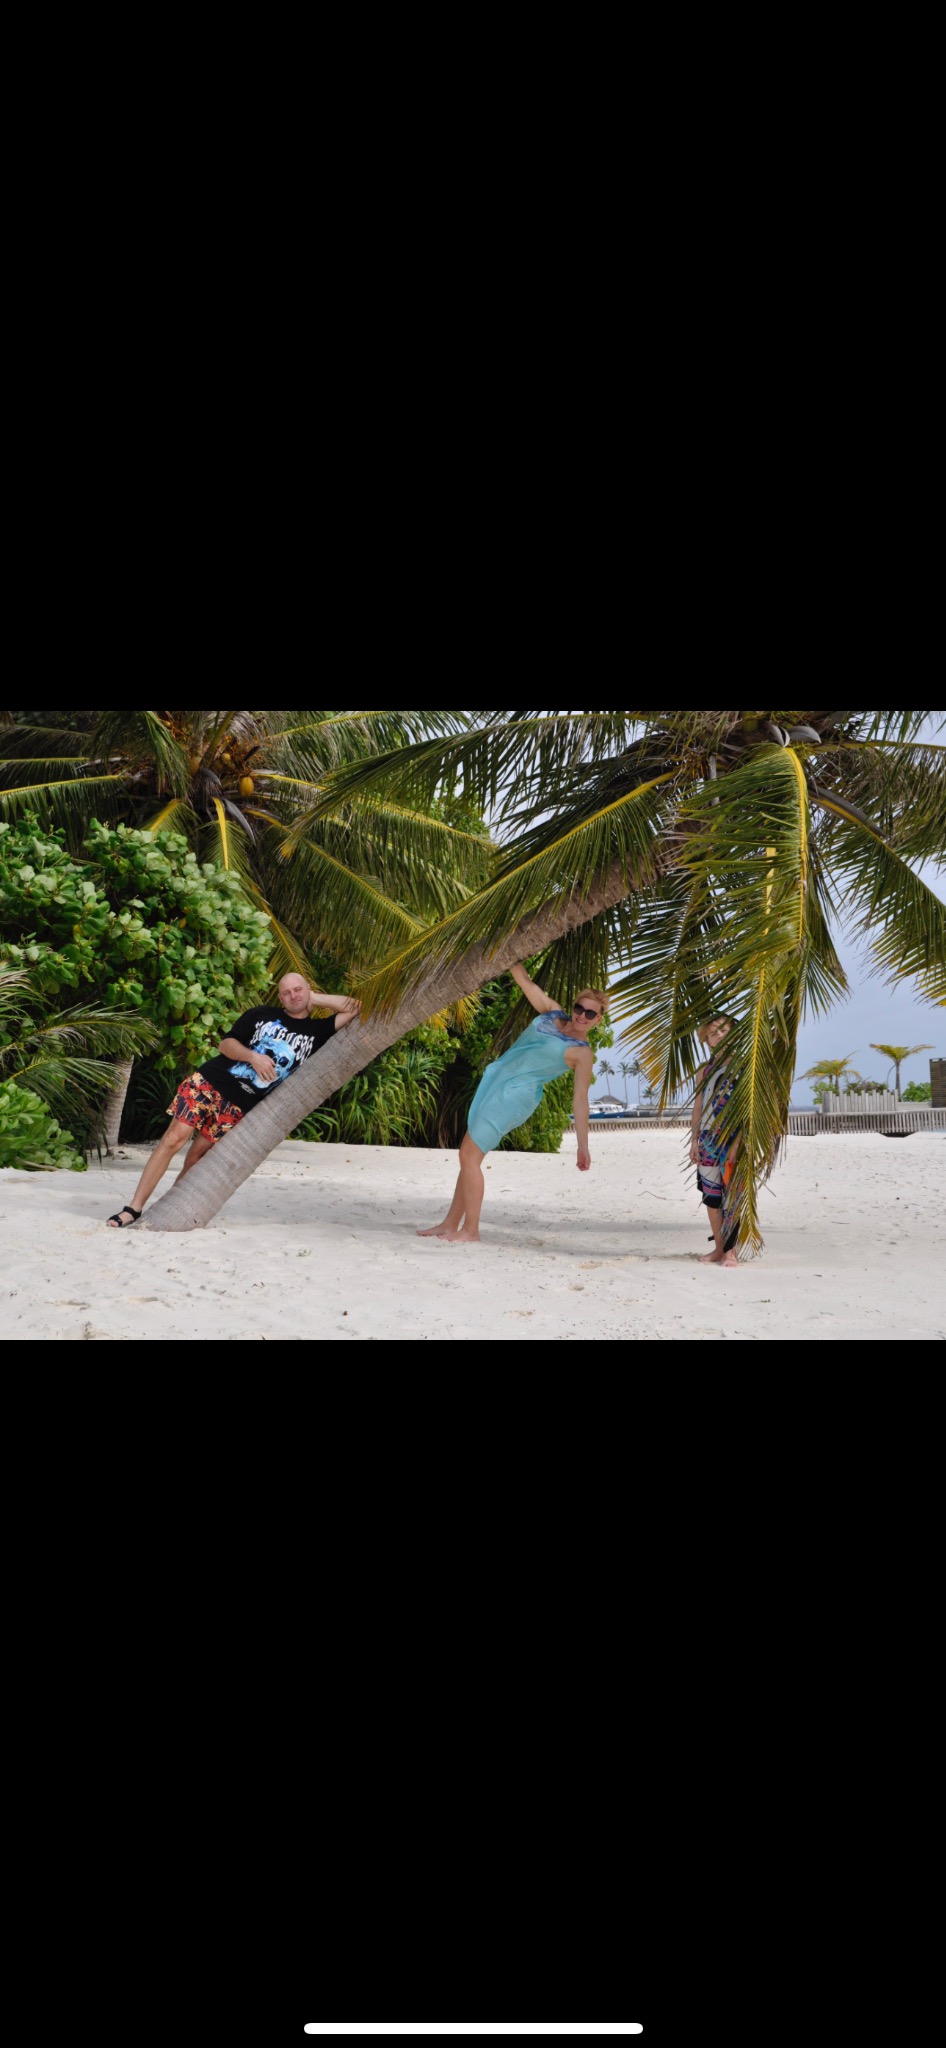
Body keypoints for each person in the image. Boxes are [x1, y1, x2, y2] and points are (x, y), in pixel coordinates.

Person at [107, 975, 360, 1228]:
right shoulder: (262, 1014)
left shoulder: (317, 1032)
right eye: (286, 993)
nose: (293, 996)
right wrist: (253, 1057)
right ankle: (134, 1208)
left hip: (240, 1105)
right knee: (174, 1138)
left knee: (197, 1157)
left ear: (308, 991)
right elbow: (226, 1044)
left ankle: (166, 1207)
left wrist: (313, 997)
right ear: (280, 998)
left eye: (298, 990)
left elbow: (355, 1006)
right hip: (211, 1081)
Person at [417, 963, 604, 1245]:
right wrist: (509, 951)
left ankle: (472, 1230)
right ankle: (450, 1223)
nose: (582, 1016)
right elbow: (525, 980)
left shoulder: (582, 1053)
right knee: (471, 1155)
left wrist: (582, 1146)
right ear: (574, 1006)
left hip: (517, 1095)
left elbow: (580, 1101)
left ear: (598, 1020)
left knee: (468, 1155)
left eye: (591, 1013)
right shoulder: (552, 1013)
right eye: (580, 1008)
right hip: (498, 1082)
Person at [690, 1015, 740, 1268]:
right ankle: (719, 1248)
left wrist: (737, 1143)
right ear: (707, 1040)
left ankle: (731, 1252)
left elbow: (748, 1110)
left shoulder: (743, 1067)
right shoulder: (704, 1070)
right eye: (713, 1033)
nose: (719, 1036)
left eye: (724, 1031)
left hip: (733, 1138)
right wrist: (694, 1140)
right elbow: (698, 1106)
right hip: (708, 1139)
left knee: (733, 1194)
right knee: (711, 1196)